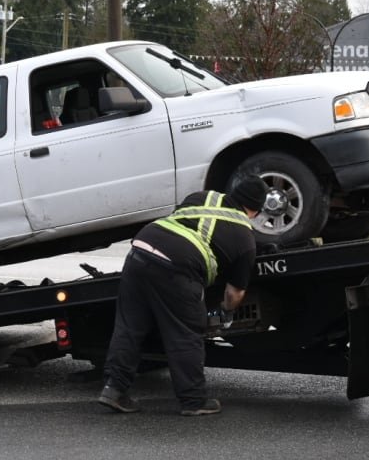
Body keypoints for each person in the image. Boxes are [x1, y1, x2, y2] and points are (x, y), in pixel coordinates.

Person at [98, 176, 268, 416]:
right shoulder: (245, 239)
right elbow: (235, 292)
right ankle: (193, 401)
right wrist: (227, 310)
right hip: (175, 269)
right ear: (256, 210)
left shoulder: (203, 196)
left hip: (141, 250)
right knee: (185, 334)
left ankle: (113, 389)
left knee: (129, 327)